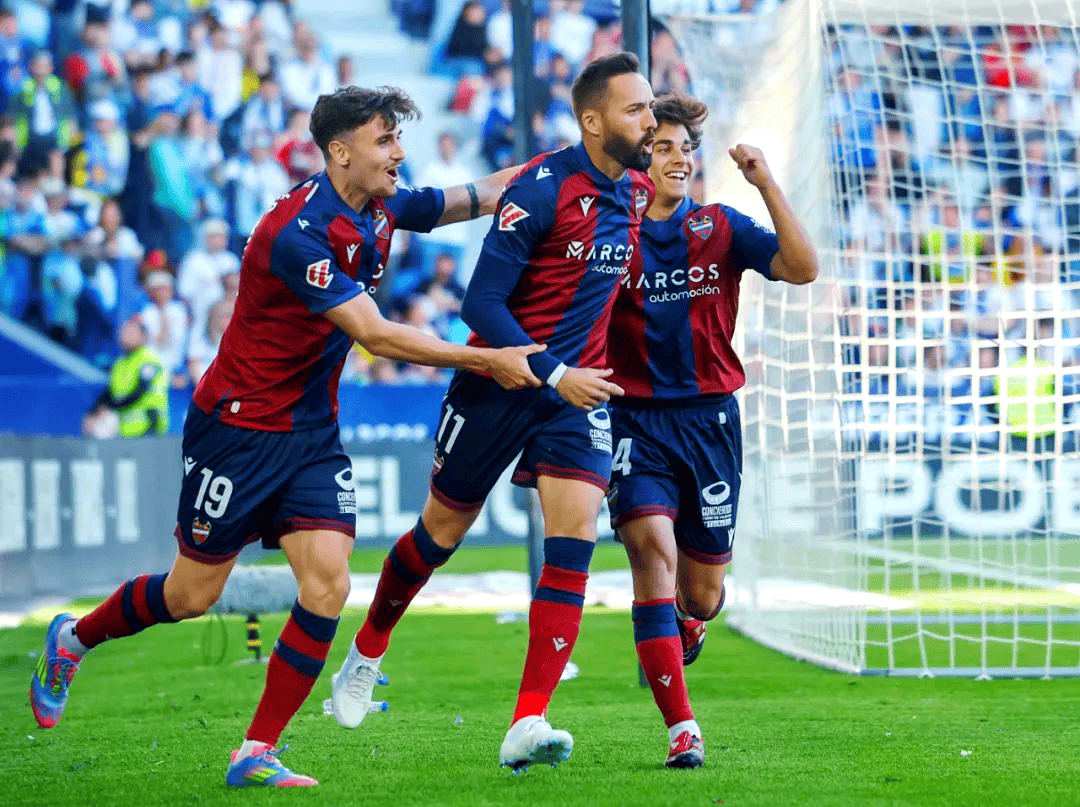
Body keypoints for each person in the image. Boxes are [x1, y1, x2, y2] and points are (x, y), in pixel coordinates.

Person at [29, 85, 545, 789]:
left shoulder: (383, 205)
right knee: (190, 596)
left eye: (398, 138)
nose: (399, 152)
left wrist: (565, 165)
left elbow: (474, 196)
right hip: (236, 431)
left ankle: (256, 750)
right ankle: (74, 638)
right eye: (385, 140)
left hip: (310, 434)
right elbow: (374, 335)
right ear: (340, 153)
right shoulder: (296, 232)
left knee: (328, 583)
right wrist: (488, 358)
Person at [327, 52, 657, 772]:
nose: (650, 120)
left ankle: (528, 718)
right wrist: (551, 369)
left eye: (651, 107)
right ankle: (367, 649)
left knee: (575, 538)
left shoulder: (637, 191)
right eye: (636, 109)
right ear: (592, 120)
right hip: (497, 382)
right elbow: (481, 303)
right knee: (439, 535)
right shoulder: (542, 189)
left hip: (574, 397)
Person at [605, 93, 818, 768]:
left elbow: (803, 268)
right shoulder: (611, 237)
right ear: (638, 161)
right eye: (662, 147)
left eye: (685, 148)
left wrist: (766, 183)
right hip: (635, 420)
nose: (679, 159)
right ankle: (682, 729)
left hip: (710, 422)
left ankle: (690, 618)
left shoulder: (720, 225)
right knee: (651, 554)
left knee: (700, 592)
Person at [81, 314, 168, 437]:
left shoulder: (149, 358)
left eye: (131, 332)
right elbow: (110, 392)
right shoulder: (120, 363)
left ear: (144, 337)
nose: (125, 335)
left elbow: (140, 391)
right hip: (125, 428)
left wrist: (112, 407)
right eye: (124, 332)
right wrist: (92, 412)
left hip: (149, 425)